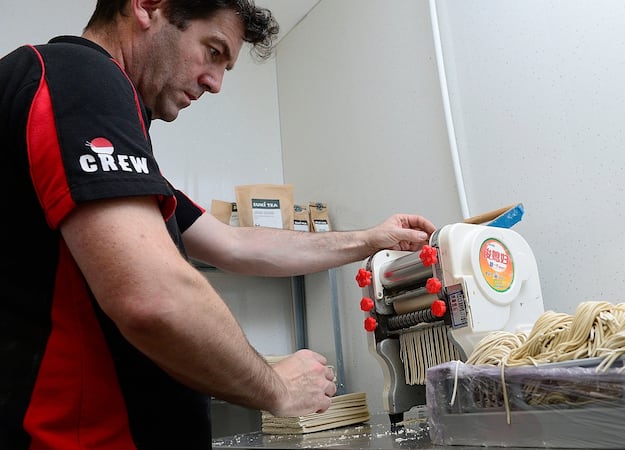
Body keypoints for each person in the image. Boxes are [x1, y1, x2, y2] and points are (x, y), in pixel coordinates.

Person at [0, 0, 436, 448]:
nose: (215, 83)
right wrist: (276, 387)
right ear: (147, 7)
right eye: (213, 51)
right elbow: (152, 297)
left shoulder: (99, 136)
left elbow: (234, 244)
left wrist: (369, 239)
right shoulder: (78, 75)